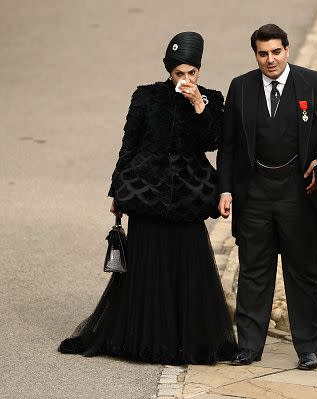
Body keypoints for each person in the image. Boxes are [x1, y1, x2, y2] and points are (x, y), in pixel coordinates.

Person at [59, 32, 237, 364]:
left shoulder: (211, 99)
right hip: (146, 194)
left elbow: (213, 141)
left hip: (189, 199)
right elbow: (130, 144)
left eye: (191, 73)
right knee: (145, 266)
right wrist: (117, 190)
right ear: (169, 70)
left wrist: (198, 104)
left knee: (188, 266)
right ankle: (142, 338)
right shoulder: (145, 97)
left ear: (199, 71)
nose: (185, 79)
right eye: (179, 73)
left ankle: (186, 339)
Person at [216, 24, 317, 369]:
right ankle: (248, 345)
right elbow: (228, 144)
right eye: (263, 54)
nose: (270, 59)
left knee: (302, 272)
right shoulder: (241, 87)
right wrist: (226, 188)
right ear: (256, 55)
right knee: (253, 272)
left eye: (276, 52)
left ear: (287, 49)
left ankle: (308, 348)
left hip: (299, 194)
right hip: (255, 193)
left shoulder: (315, 84)